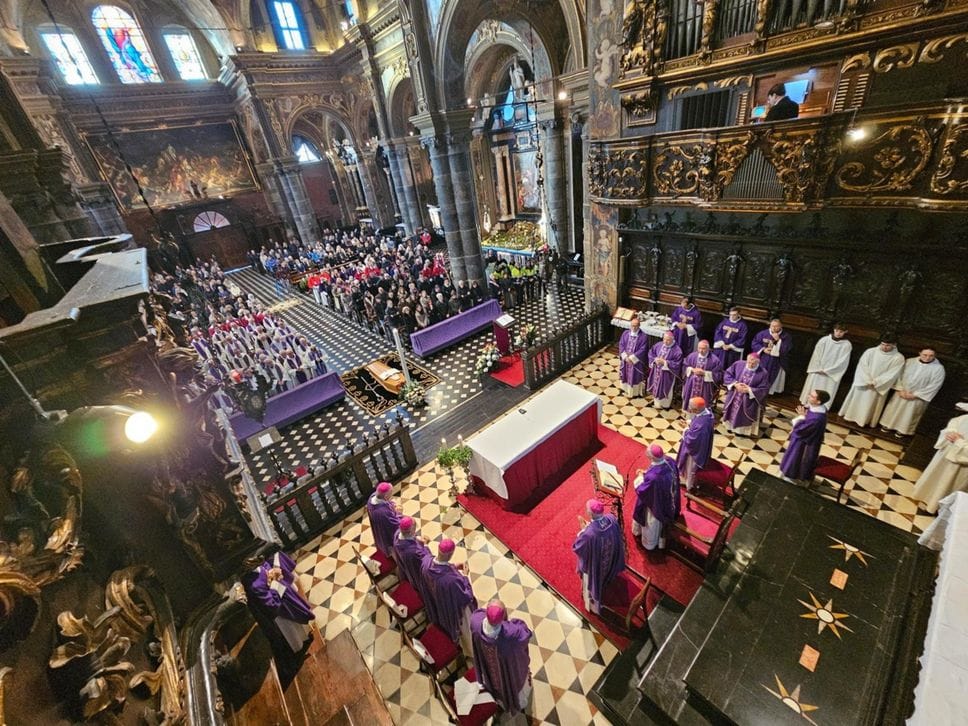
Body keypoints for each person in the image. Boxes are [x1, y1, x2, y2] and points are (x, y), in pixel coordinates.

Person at [241, 550, 314, 668]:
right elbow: (272, 605)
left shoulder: (258, 567)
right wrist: (274, 581)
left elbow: (266, 569)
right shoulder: (254, 585)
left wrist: (273, 573)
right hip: (280, 611)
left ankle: (304, 637)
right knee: (292, 632)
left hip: (282, 598)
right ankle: (299, 647)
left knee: (299, 627)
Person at [470, 600, 533, 714]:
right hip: (508, 674)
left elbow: (477, 613)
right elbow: (525, 634)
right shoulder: (511, 634)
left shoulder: (476, 622)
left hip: (488, 668)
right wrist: (512, 623)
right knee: (512, 676)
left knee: (493, 676)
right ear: (504, 616)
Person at [421, 538, 477, 655]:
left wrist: (453, 567)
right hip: (451, 608)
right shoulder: (451, 580)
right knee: (466, 629)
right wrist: (465, 576)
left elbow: (439, 568)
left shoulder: (426, 562)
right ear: (451, 554)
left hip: (436, 601)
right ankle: (469, 651)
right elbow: (466, 597)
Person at [572, 499, 625, 614]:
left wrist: (583, 530)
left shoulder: (589, 534)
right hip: (610, 559)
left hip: (595, 566)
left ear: (590, 513)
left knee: (590, 579)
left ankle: (593, 606)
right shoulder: (612, 519)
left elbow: (578, 547)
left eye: (587, 510)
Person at [879, 348, 946, 437]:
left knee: (909, 414)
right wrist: (899, 388)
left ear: (935, 356)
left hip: (917, 397)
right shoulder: (909, 361)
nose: (927, 358)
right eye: (925, 355)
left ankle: (903, 430)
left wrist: (916, 395)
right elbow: (899, 374)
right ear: (920, 353)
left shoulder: (938, 369)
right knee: (894, 409)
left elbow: (935, 385)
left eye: (931, 356)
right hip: (902, 392)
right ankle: (887, 424)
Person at [839, 340, 905, 427]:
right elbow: (862, 366)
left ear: (894, 345)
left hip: (878, 386)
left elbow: (893, 373)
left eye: (888, 345)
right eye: (883, 344)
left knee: (869, 405)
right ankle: (849, 416)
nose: (884, 347)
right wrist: (867, 380)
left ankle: (864, 420)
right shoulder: (870, 351)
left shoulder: (898, 357)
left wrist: (877, 382)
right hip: (864, 382)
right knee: (857, 400)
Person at [912, 412, 968, 513]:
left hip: (962, 463)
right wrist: (951, 432)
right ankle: (928, 500)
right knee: (936, 478)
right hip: (947, 452)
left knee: (948, 485)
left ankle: (940, 509)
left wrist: (959, 442)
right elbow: (955, 422)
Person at [632, 444, 681, 550]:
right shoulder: (670, 461)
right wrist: (646, 473)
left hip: (656, 504)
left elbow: (643, 490)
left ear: (651, 457)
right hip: (669, 498)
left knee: (652, 521)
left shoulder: (654, 478)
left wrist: (640, 476)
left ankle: (650, 543)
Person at [780, 390, 830, 483]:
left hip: (805, 443)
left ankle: (792, 477)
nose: (808, 396)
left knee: (796, 459)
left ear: (818, 401)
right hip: (805, 438)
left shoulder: (817, 418)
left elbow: (801, 430)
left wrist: (801, 416)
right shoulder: (818, 408)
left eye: (812, 396)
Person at [800, 324, 852, 405]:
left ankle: (823, 405)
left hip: (831, 374)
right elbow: (816, 355)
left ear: (845, 332)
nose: (838, 333)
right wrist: (818, 368)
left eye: (841, 332)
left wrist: (828, 371)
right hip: (818, 371)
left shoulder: (846, 345)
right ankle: (808, 403)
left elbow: (843, 361)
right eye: (837, 330)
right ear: (834, 329)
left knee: (827, 389)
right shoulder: (824, 340)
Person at [722, 353, 771, 436]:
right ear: (747, 360)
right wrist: (735, 384)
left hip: (749, 399)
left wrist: (749, 390)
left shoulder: (763, 373)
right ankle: (729, 426)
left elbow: (764, 389)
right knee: (731, 411)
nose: (750, 365)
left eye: (753, 363)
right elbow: (728, 374)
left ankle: (741, 431)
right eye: (749, 362)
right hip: (735, 394)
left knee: (743, 415)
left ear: (758, 362)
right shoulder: (738, 364)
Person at [677, 397, 716, 492]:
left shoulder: (703, 425)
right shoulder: (706, 412)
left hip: (695, 451)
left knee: (690, 467)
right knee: (688, 467)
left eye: (691, 408)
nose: (689, 409)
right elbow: (697, 420)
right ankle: (685, 479)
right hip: (699, 445)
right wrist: (688, 423)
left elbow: (692, 439)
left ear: (696, 410)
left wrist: (685, 428)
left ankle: (689, 485)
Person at [751, 318, 792, 394]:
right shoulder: (763, 333)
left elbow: (786, 349)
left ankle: (769, 392)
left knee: (772, 376)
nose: (774, 328)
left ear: (781, 326)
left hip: (777, 361)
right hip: (763, 358)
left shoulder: (786, 336)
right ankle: (757, 389)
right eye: (772, 326)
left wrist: (779, 340)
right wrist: (763, 349)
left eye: (776, 326)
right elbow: (755, 343)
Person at [392, 516, 431, 594]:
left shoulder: (397, 534)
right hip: (417, 575)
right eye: (414, 529)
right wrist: (425, 545)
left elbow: (409, 537)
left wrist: (416, 538)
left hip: (404, 568)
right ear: (411, 532)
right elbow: (426, 562)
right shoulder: (414, 552)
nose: (415, 531)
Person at [681, 339, 723, 410]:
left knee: (703, 403)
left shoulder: (714, 360)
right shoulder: (692, 356)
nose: (701, 351)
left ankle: (702, 414)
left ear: (708, 349)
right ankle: (689, 412)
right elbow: (685, 366)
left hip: (705, 386)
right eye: (699, 348)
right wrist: (692, 370)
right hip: (691, 384)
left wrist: (704, 373)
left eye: (703, 349)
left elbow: (718, 374)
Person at [647, 331, 683, 409]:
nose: (665, 342)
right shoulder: (659, 345)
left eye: (668, 340)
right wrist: (655, 359)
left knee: (666, 389)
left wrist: (665, 362)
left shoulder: (677, 350)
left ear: (672, 340)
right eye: (664, 339)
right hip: (657, 370)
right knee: (656, 386)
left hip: (667, 374)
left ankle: (665, 405)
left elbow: (677, 363)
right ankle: (656, 402)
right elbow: (651, 353)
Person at [365, 482, 399, 558]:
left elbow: (385, 501)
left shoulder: (372, 497)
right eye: (390, 494)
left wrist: (391, 504)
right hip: (387, 535)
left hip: (379, 529)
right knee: (394, 551)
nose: (391, 496)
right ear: (386, 496)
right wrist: (399, 513)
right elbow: (394, 525)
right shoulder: (382, 512)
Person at [618, 316, 648, 397]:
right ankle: (624, 388)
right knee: (624, 374)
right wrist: (625, 357)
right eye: (632, 326)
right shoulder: (625, 333)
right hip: (626, 360)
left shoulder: (643, 336)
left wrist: (632, 358)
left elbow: (643, 350)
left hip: (635, 362)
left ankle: (634, 392)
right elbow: (621, 344)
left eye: (636, 326)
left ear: (639, 326)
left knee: (634, 376)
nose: (634, 328)